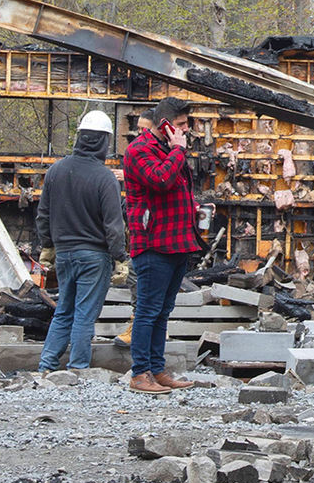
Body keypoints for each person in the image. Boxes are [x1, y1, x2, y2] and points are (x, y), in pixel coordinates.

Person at [36, 110, 127, 374]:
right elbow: (114, 224)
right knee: (85, 314)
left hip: (64, 254)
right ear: (104, 142)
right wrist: (119, 257)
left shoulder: (56, 171)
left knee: (64, 310)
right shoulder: (105, 178)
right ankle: (77, 369)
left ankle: (46, 366)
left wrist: (48, 245)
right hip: (94, 257)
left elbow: (43, 213)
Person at [123, 96, 200, 394]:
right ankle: (140, 373)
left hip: (176, 243)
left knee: (163, 310)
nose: (185, 130)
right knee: (148, 310)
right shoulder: (140, 150)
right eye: (180, 125)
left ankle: (156, 369)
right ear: (163, 123)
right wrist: (178, 150)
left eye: (186, 124)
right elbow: (161, 180)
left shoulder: (168, 150)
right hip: (154, 243)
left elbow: (175, 191)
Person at [113, 108, 154, 350]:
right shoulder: (139, 152)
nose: (140, 135)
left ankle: (139, 331)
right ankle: (141, 330)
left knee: (141, 281)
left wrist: (128, 177)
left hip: (152, 234)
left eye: (145, 129)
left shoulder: (159, 155)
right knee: (137, 280)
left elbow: (158, 182)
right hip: (139, 229)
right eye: (138, 130)